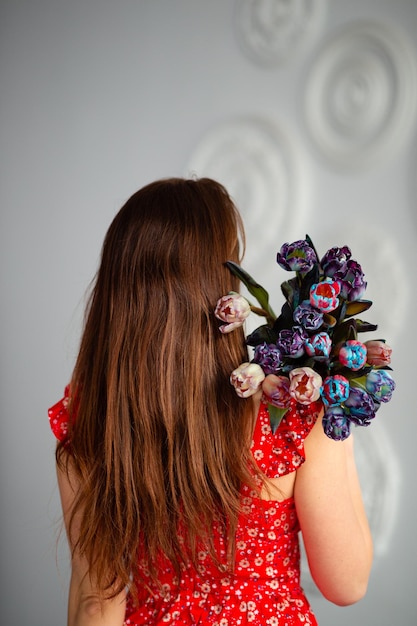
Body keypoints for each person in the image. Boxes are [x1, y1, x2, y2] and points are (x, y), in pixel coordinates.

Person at [49, 177, 373, 626]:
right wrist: (335, 411)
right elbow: (347, 582)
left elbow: (95, 602)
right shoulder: (289, 413)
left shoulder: (89, 420)